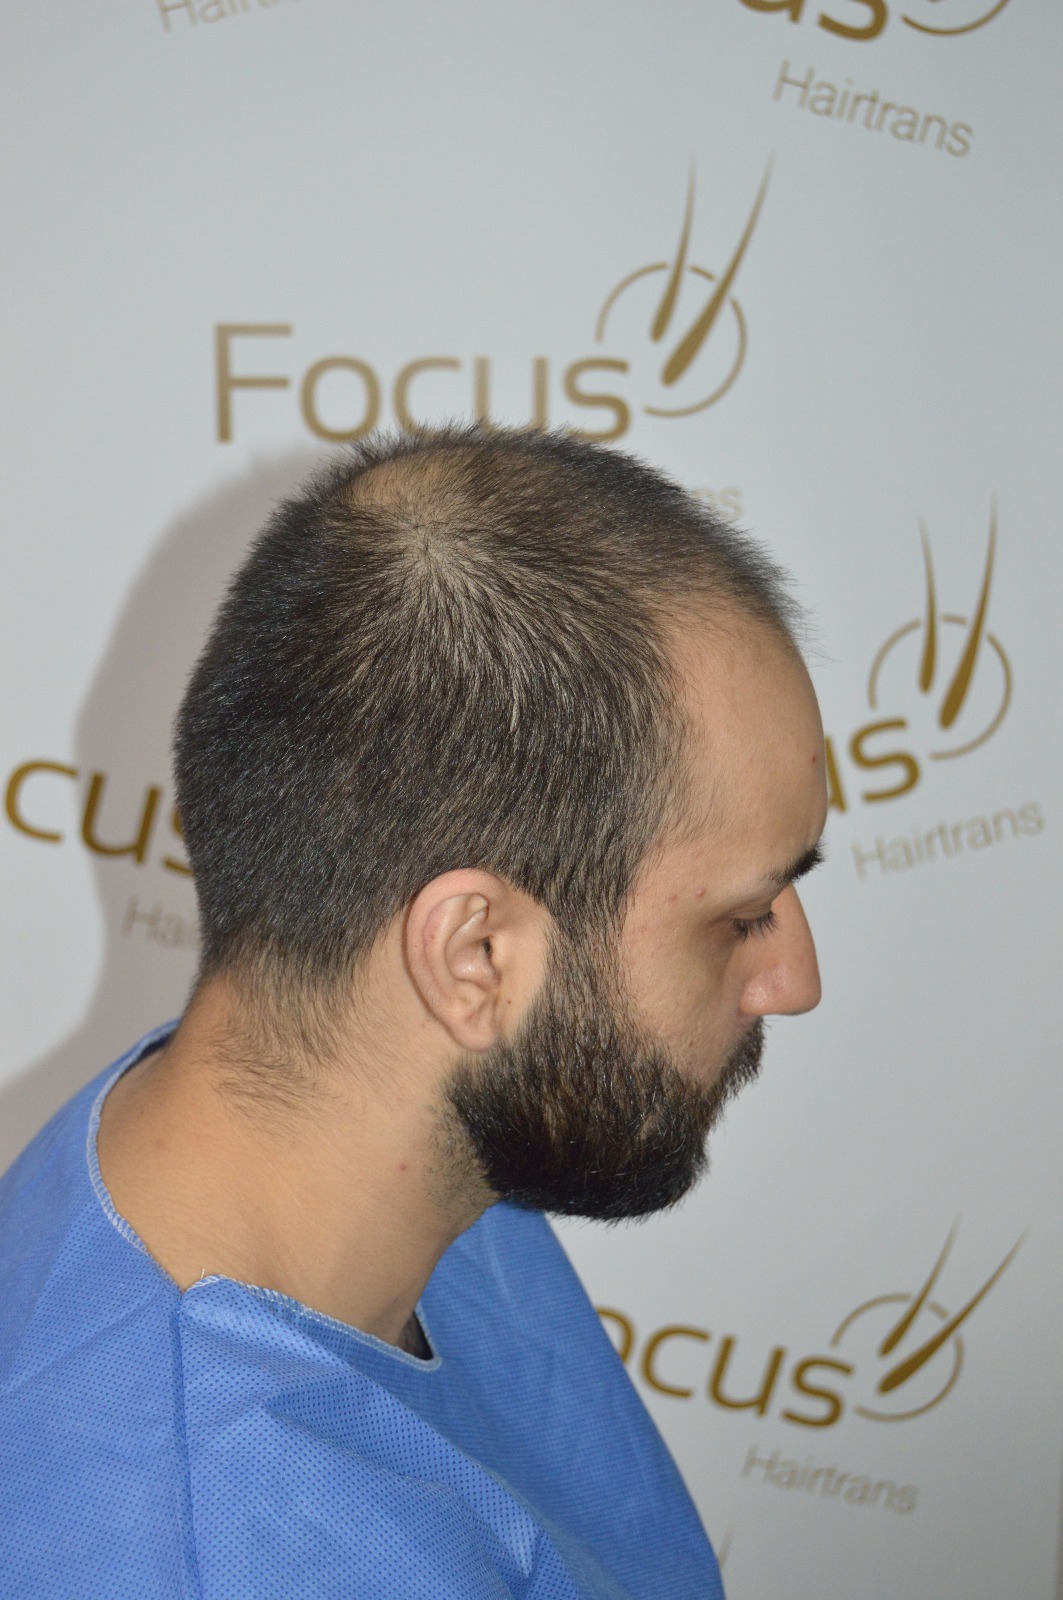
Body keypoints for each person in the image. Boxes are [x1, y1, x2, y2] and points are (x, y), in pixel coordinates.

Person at [0, 426, 827, 1599]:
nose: (794, 977)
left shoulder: (401, 1130)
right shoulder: (207, 1551)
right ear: (474, 956)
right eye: (742, 916)